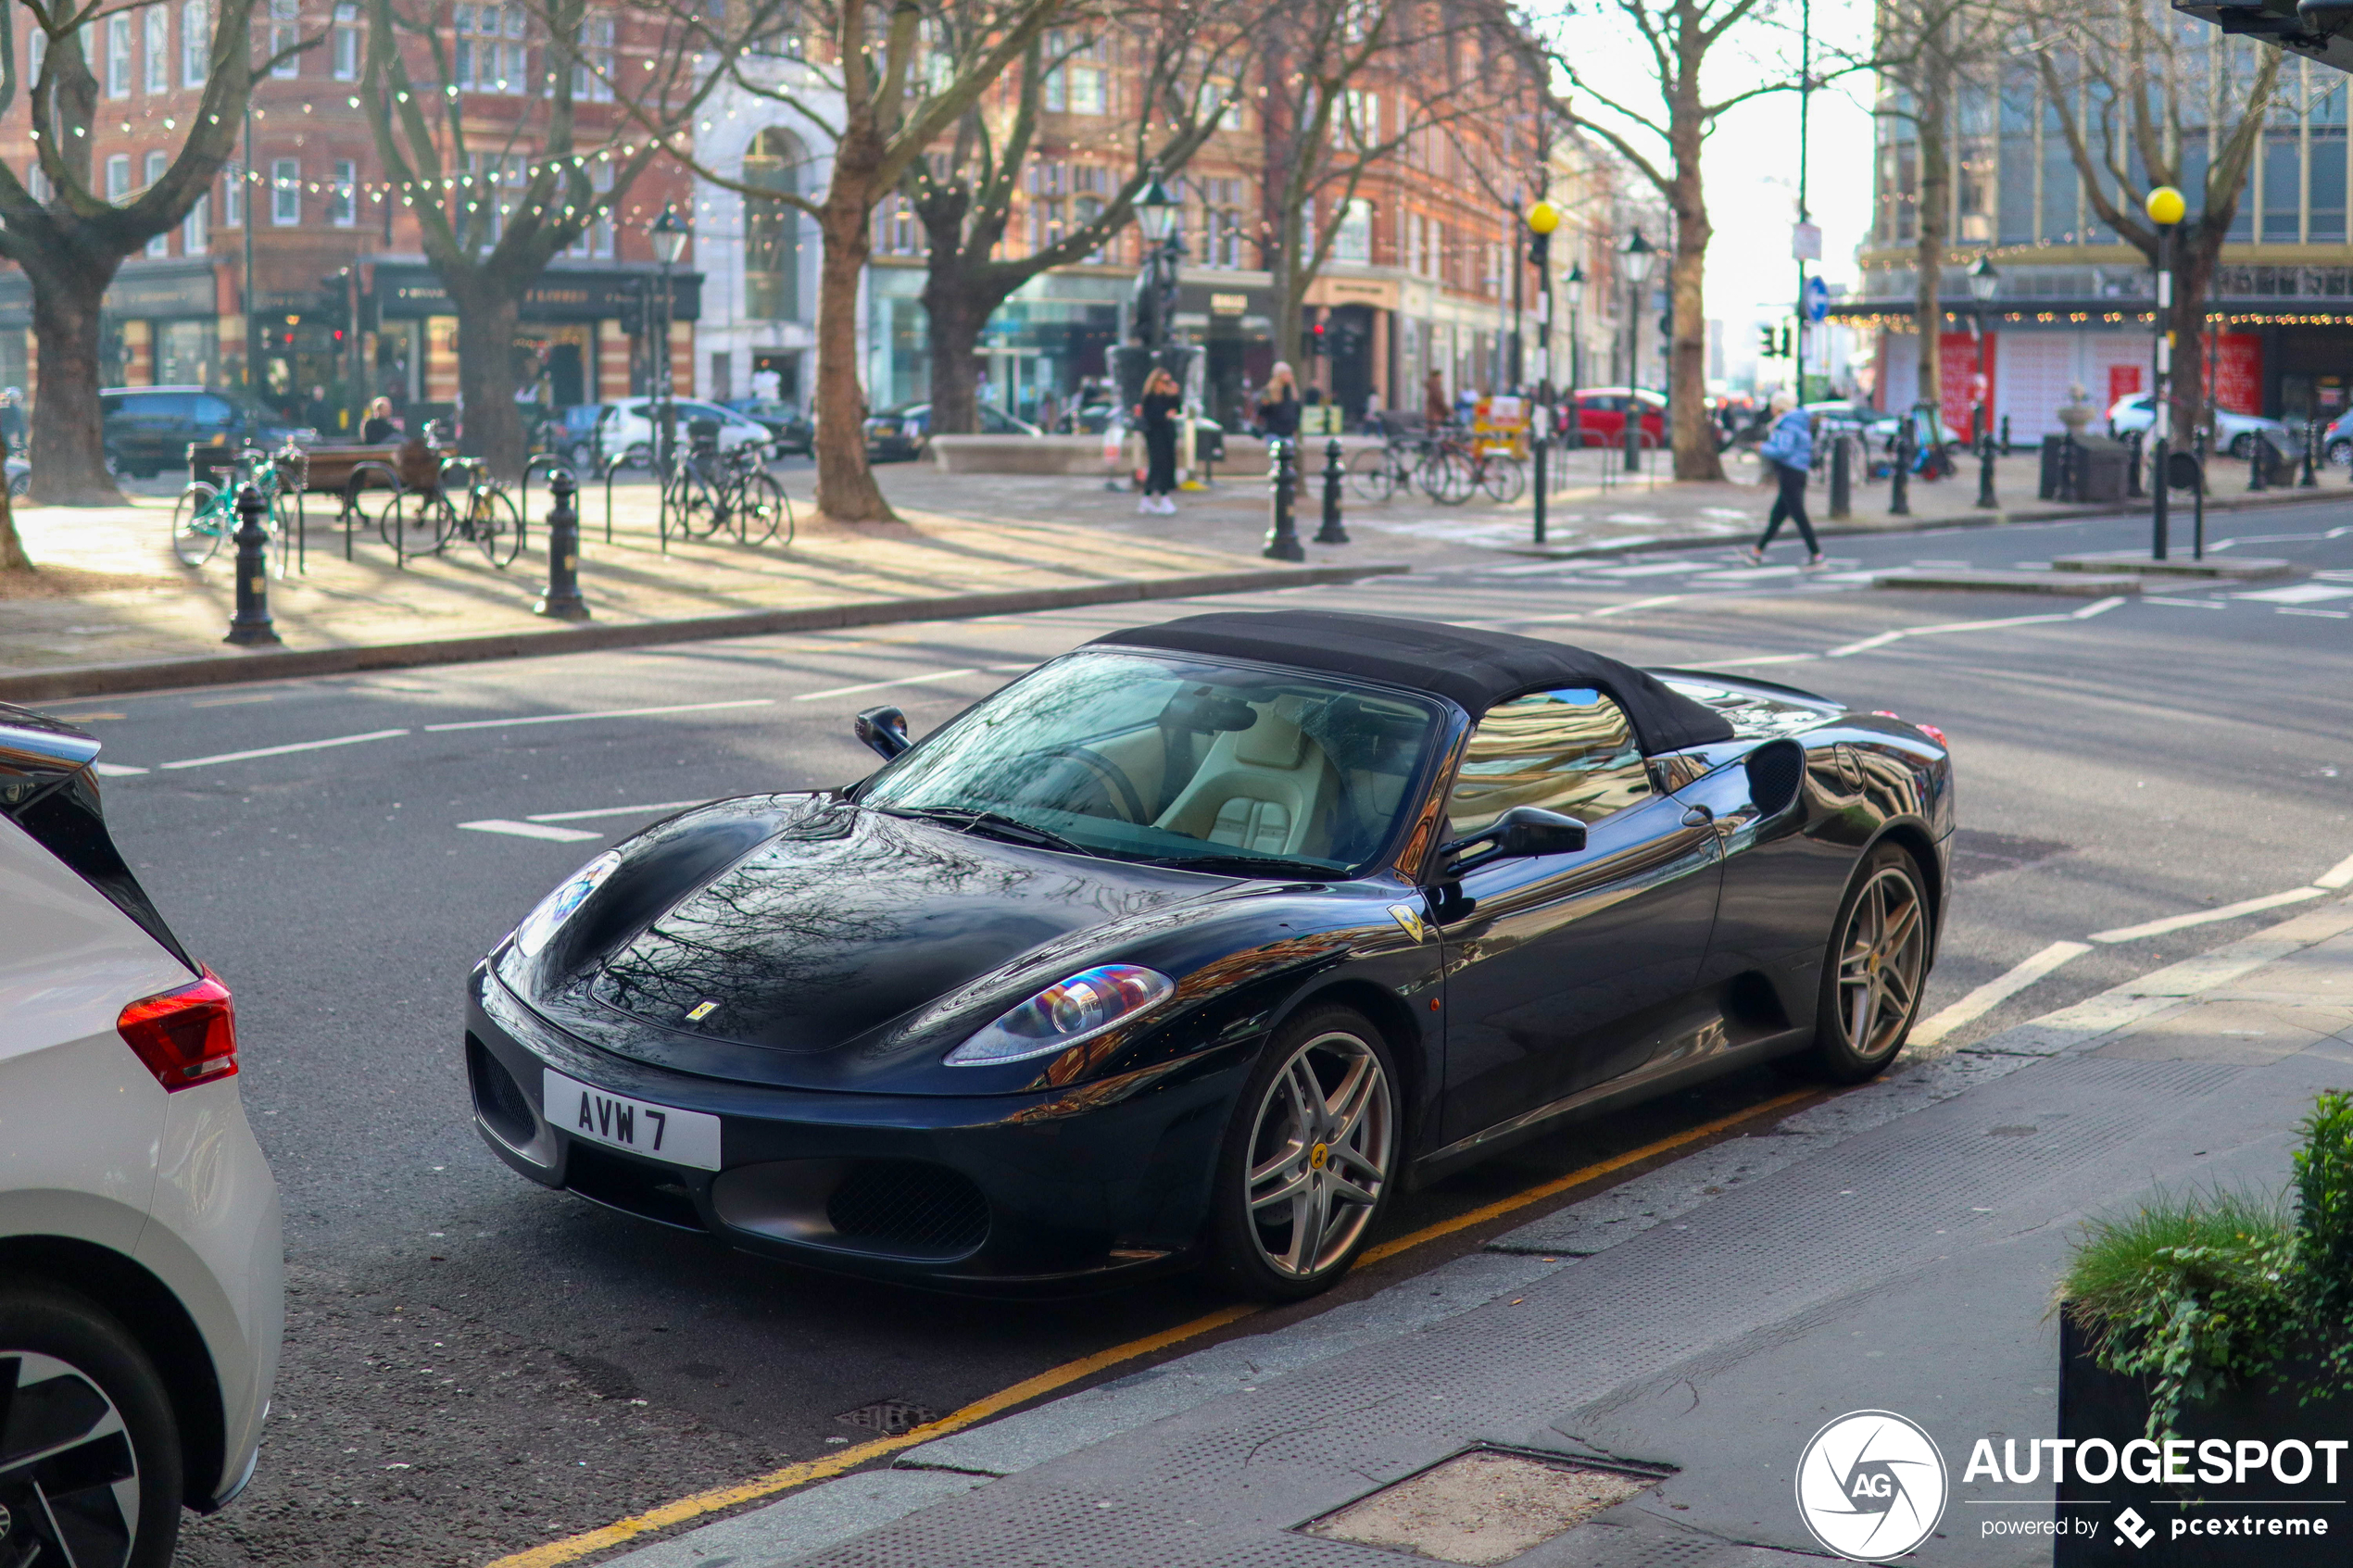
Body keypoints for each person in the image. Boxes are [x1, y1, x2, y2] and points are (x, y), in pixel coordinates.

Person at [1746, 391, 1823, 567]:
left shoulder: (1786, 424)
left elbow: (1783, 450)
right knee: (1778, 515)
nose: (1771, 409)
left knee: (1798, 515)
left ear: (1779, 407)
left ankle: (1817, 554)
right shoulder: (1797, 422)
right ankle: (1756, 551)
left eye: (1773, 406)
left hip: (1790, 472)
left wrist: (1762, 447)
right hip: (1797, 472)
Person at [1134, 368, 1182, 515]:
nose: (1167, 384)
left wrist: (1175, 395)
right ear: (1156, 382)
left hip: (1167, 434)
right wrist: (1164, 415)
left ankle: (1147, 499)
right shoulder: (1149, 397)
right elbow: (1151, 416)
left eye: (1169, 381)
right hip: (1155, 435)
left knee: (1164, 465)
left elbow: (1176, 409)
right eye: (1164, 381)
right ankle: (1163, 497)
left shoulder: (1166, 397)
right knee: (1158, 465)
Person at [1256, 363, 1301, 441]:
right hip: (1273, 433)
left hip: (1288, 433)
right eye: (1287, 373)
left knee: (1289, 452)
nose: (1290, 376)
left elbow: (1297, 410)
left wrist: (1295, 427)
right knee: (1275, 452)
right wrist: (1265, 405)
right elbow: (1261, 411)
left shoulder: (1292, 392)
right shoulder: (1270, 391)